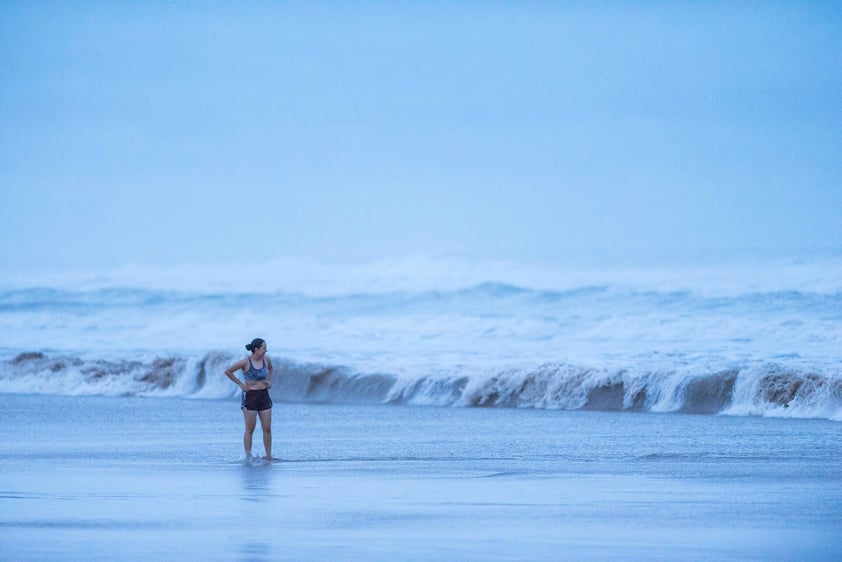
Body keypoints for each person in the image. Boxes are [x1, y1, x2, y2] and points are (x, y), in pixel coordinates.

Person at [225, 338, 274, 460]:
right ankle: (248, 456)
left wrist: (268, 381)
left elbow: (271, 368)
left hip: (264, 396)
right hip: (250, 396)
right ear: (256, 349)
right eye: (264, 348)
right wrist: (240, 384)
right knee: (250, 429)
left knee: (267, 428)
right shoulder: (245, 362)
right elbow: (228, 371)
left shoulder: (266, 360)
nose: (266, 350)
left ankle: (268, 456)